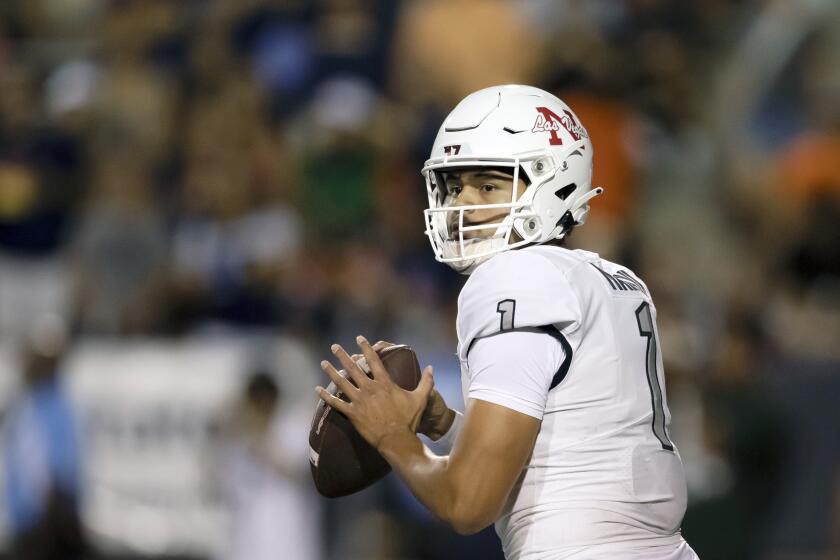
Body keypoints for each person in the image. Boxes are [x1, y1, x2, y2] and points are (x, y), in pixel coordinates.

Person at [316, 85, 698, 559]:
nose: (463, 204)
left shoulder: (513, 277)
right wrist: (444, 423)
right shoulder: (614, 279)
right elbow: (563, 449)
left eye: (488, 184)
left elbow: (468, 502)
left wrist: (393, 436)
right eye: (455, 186)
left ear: (552, 181)